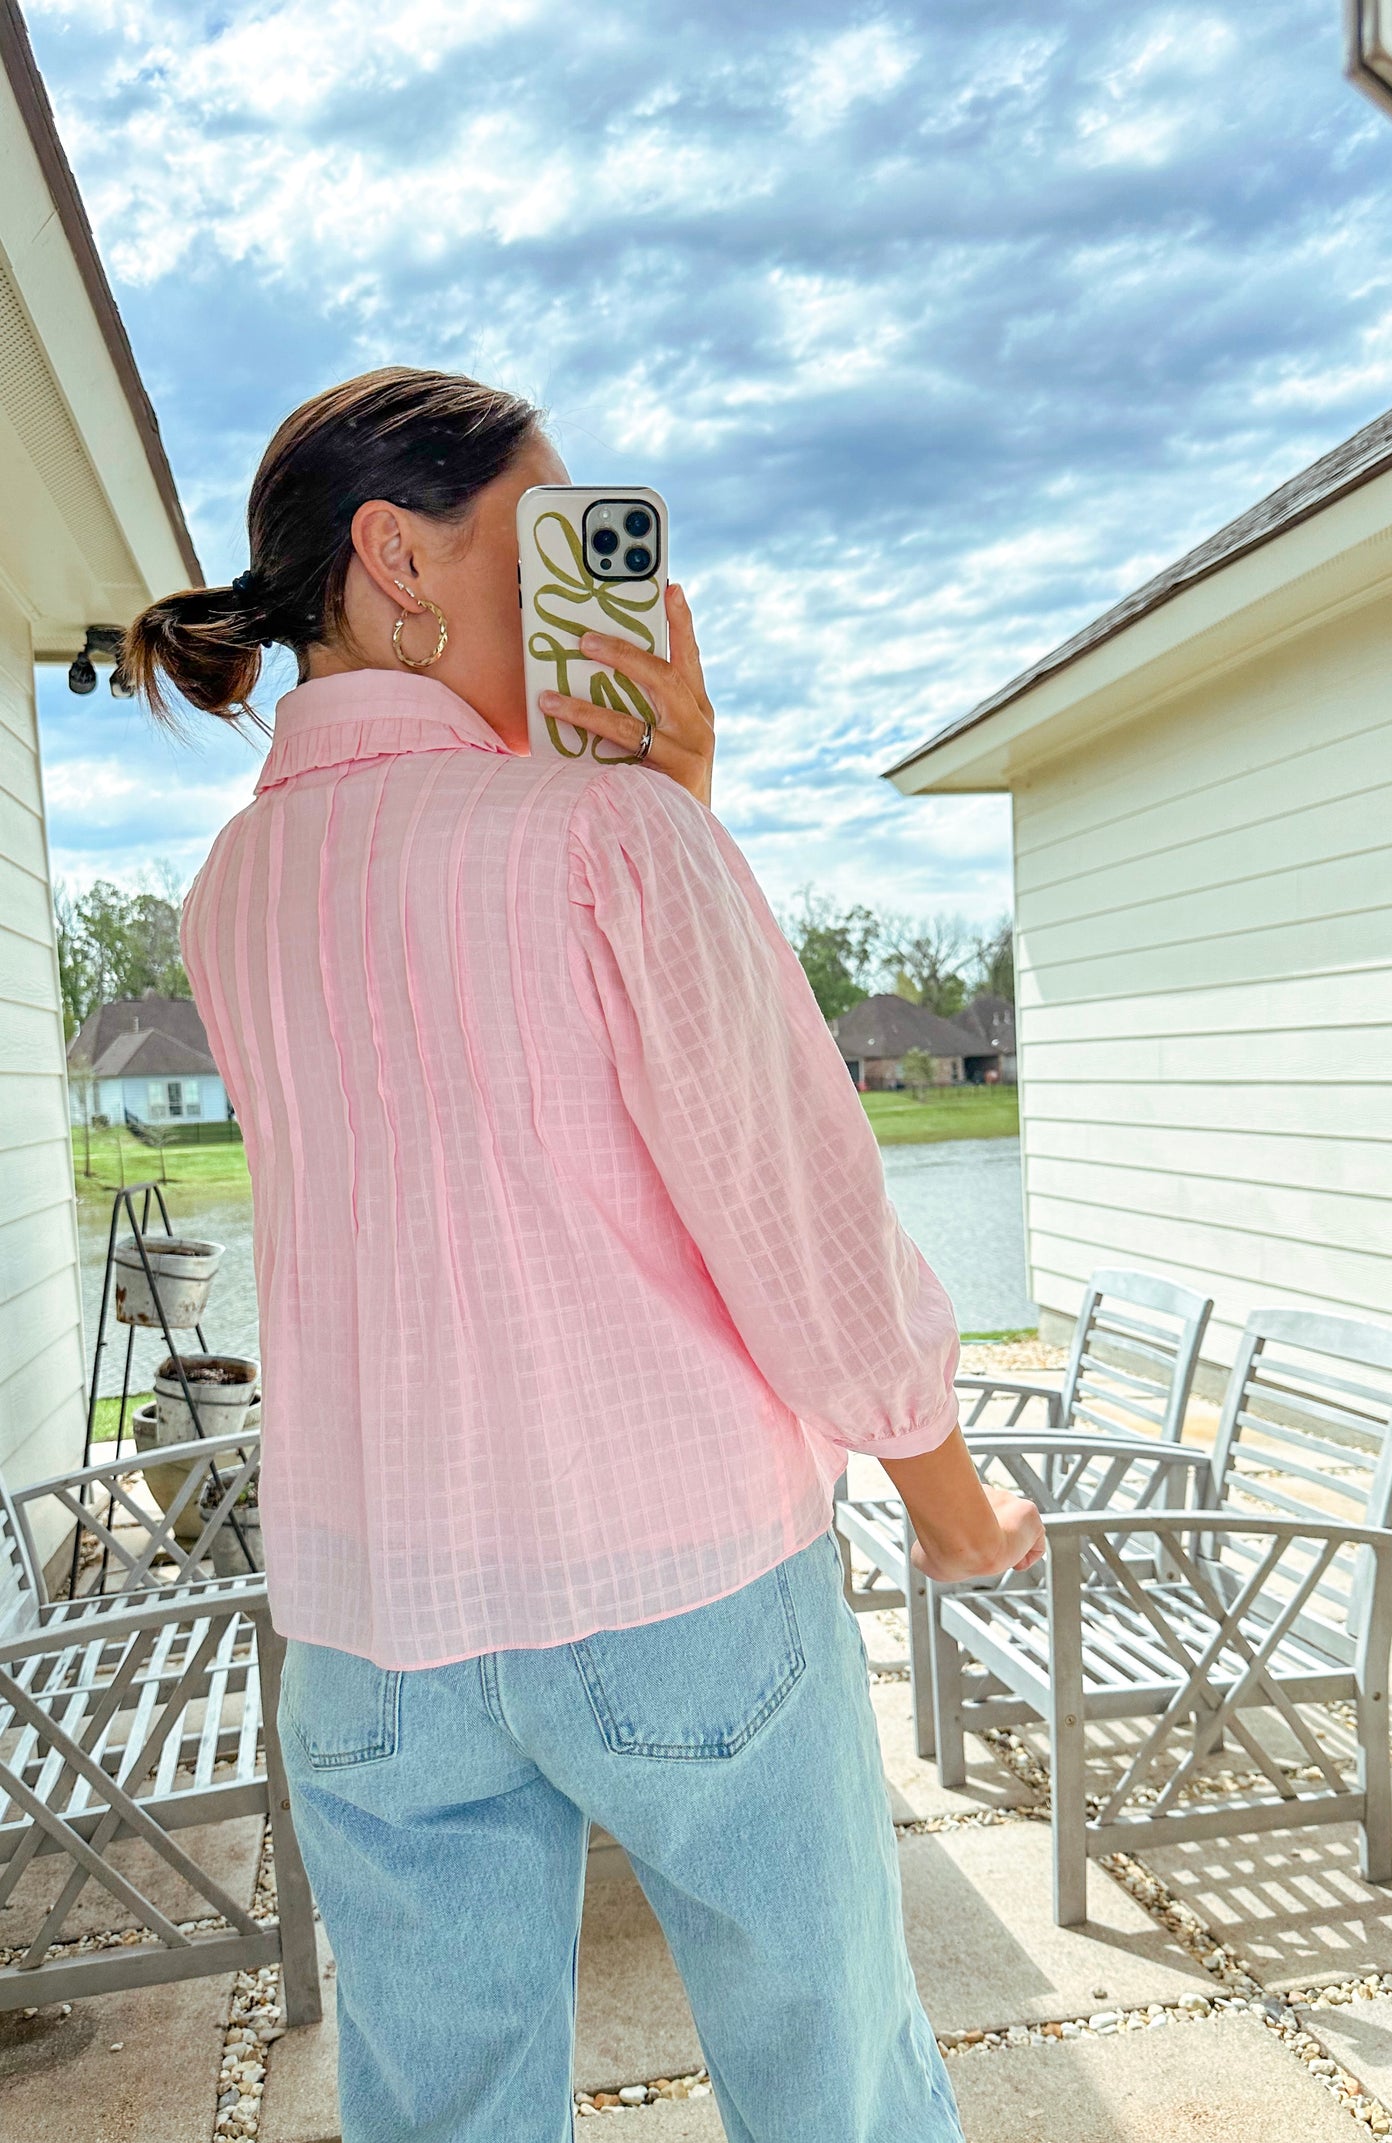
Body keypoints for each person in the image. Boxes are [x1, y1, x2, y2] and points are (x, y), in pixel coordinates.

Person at [125, 366, 1045, 2143]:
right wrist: (950, 1500)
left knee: (442, 2113)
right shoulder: (609, 834)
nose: (573, 583)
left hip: (372, 1617)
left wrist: (654, 803)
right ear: (397, 556)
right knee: (835, 2087)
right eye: (546, 534)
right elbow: (793, 1201)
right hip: (677, 1575)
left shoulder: (232, 893)